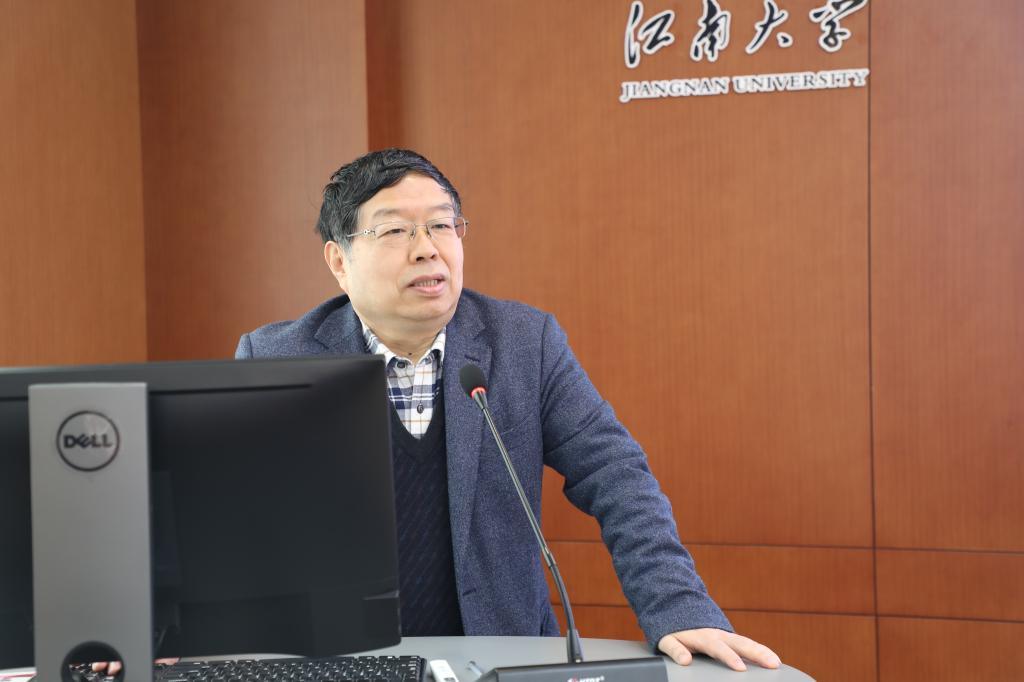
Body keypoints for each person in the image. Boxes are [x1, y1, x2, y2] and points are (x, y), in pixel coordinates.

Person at [236, 148, 781, 673]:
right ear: (339, 261)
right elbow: (230, 523)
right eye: (395, 230)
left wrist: (677, 607)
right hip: (340, 662)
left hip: (501, 656)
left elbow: (616, 474)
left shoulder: (523, 343)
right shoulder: (278, 359)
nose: (427, 249)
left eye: (442, 225)